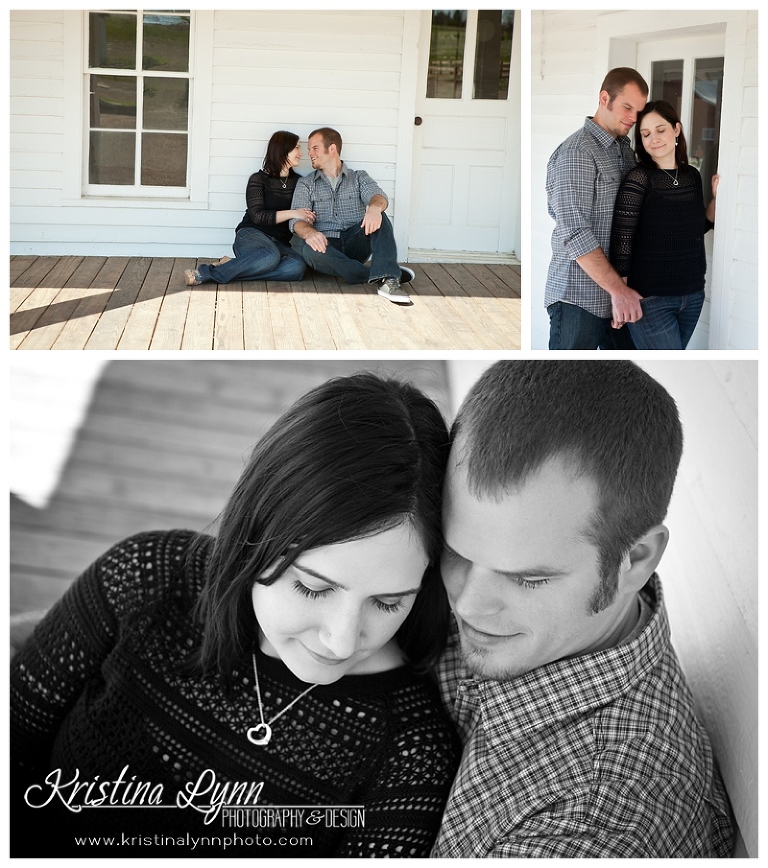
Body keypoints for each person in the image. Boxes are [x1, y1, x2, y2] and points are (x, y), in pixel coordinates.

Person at [10, 373, 461, 858]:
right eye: (313, 587)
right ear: (256, 532)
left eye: (388, 602)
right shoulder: (145, 580)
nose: (342, 642)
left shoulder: (410, 752)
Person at [432, 361, 734, 857]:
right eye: (457, 553)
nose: (467, 604)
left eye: (528, 578)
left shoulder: (597, 827)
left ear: (635, 559)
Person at [545, 68, 649, 349]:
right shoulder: (578, 152)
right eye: (627, 107)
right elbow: (575, 233)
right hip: (580, 299)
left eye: (638, 111)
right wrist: (620, 291)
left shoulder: (624, 150)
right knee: (567, 383)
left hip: (618, 299)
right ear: (605, 98)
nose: (632, 118)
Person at [609, 101, 718, 349]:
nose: (654, 139)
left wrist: (716, 199)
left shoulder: (691, 175)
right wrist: (621, 298)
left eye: (660, 130)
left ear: (676, 130)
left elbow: (698, 226)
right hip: (651, 300)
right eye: (646, 134)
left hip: (692, 295)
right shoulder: (638, 180)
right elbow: (622, 243)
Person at [288, 127, 416, 305]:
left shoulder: (358, 177)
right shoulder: (306, 184)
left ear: (332, 148)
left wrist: (374, 208)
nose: (309, 153)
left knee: (381, 216)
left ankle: (389, 284)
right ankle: (384, 273)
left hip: (356, 243)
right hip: (326, 247)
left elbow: (378, 197)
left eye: (314, 148)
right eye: (309, 149)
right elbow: (296, 221)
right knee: (309, 248)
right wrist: (310, 233)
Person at [184, 130, 313, 286]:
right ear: (283, 149)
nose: (301, 153)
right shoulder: (258, 180)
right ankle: (204, 273)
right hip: (251, 235)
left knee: (297, 267)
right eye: (297, 147)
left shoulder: (299, 182)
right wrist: (293, 213)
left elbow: (303, 211)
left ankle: (231, 267)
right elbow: (258, 216)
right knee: (270, 256)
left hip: (278, 244)